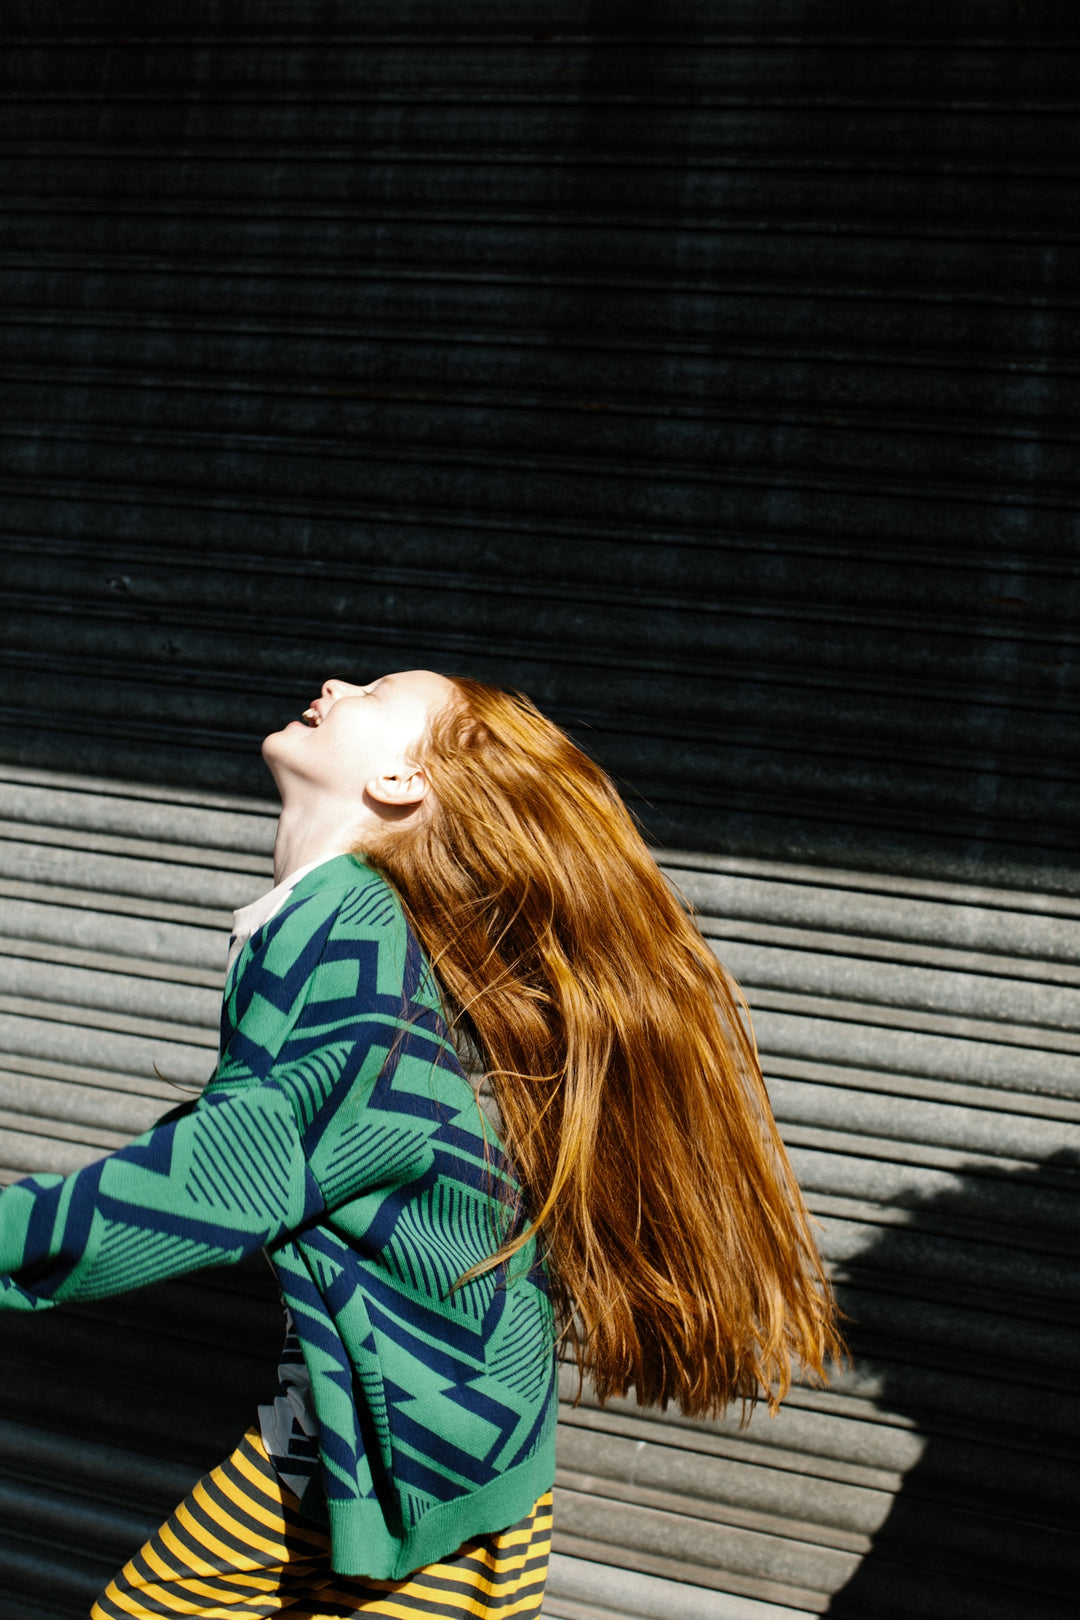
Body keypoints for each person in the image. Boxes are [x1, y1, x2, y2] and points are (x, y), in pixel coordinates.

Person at [0, 670, 842, 1619]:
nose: (335, 683)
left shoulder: (344, 918)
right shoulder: (350, 919)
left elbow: (234, 1171)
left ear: (404, 781)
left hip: (416, 1449)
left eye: (375, 692)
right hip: (408, 1430)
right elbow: (284, 1129)